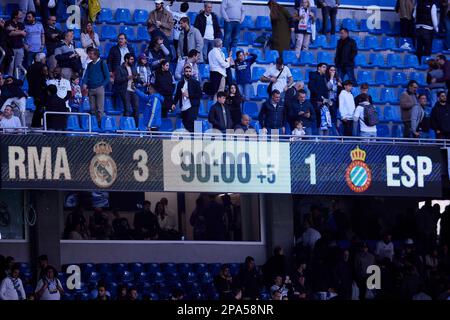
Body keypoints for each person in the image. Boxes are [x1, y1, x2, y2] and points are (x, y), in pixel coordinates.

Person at [82, 48, 109, 123]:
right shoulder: (90, 64)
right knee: (92, 109)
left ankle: (100, 124)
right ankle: (94, 124)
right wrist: (84, 83)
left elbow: (107, 77)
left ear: (96, 55)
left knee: (100, 109)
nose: (89, 55)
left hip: (99, 88)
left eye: (91, 54)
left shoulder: (102, 63)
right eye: (89, 53)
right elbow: (86, 75)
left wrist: (102, 86)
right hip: (91, 88)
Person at [173, 65, 202, 132]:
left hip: (192, 106)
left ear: (191, 72)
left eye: (189, 71)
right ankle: (192, 139)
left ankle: (194, 139)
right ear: (183, 72)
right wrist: (174, 103)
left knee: (190, 123)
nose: (188, 73)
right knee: (185, 124)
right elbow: (177, 95)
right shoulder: (180, 83)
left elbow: (199, 95)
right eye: (186, 71)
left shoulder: (196, 83)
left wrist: (189, 95)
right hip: (183, 107)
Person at [115, 53, 140, 124]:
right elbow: (117, 80)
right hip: (125, 91)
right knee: (127, 109)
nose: (133, 61)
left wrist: (138, 78)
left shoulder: (133, 68)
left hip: (133, 90)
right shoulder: (119, 68)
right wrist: (127, 77)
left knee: (136, 108)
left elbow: (137, 78)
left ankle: (136, 126)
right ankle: (126, 126)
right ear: (126, 59)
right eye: (131, 59)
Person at [5, 10, 26, 77]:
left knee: (18, 66)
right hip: (11, 48)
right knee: (11, 66)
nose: (22, 15)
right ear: (15, 15)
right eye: (20, 14)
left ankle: (17, 81)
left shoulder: (21, 24)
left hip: (20, 48)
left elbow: (24, 33)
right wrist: (20, 32)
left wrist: (13, 29)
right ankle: (9, 81)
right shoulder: (8, 22)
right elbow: (10, 34)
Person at [308, 63, 329, 129]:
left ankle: (320, 136)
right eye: (323, 67)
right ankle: (314, 136)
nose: (325, 69)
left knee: (322, 120)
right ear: (319, 68)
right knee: (315, 118)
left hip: (323, 102)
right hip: (315, 101)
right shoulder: (313, 75)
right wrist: (320, 97)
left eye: (325, 67)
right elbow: (311, 87)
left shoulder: (325, 77)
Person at [326, 64, 342, 131]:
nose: (333, 72)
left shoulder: (338, 79)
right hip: (328, 100)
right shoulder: (326, 78)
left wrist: (340, 86)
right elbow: (328, 87)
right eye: (331, 70)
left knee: (335, 117)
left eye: (334, 70)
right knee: (328, 117)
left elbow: (340, 90)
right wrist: (331, 78)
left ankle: (335, 131)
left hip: (335, 101)